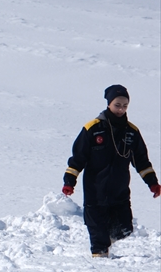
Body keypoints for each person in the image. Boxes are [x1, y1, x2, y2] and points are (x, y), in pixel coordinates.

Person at [62, 84, 159, 257]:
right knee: (98, 239)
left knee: (124, 229)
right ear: (109, 103)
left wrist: (153, 183)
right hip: (95, 192)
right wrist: (69, 182)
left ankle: (106, 244)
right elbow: (77, 159)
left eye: (124, 106)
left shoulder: (132, 132)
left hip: (119, 192)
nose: (121, 109)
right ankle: (100, 267)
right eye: (117, 105)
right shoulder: (92, 129)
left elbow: (142, 161)